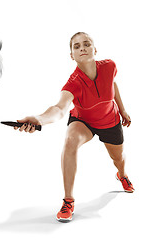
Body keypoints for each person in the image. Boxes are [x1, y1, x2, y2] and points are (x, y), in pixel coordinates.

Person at [14, 32, 134, 222]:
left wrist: (123, 109)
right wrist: (39, 119)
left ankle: (122, 175)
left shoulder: (109, 66)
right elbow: (59, 109)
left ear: (95, 49)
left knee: (118, 159)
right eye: (77, 46)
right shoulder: (73, 83)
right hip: (83, 121)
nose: (82, 48)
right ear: (72, 55)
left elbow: (112, 83)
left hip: (109, 120)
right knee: (70, 141)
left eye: (86, 44)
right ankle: (68, 200)